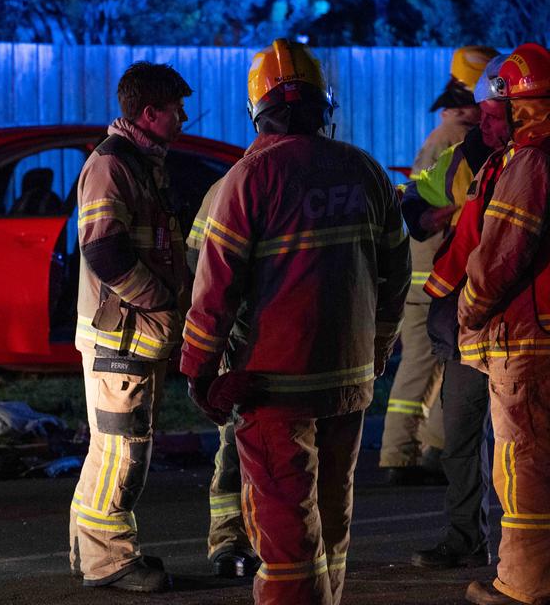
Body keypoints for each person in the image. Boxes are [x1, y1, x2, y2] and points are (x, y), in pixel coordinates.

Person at [181, 39, 411, 605]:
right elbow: (396, 276)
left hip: (272, 386)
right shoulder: (367, 172)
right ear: (323, 106)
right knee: (333, 510)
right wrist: (377, 348)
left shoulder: (245, 181)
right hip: (348, 380)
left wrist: (198, 371)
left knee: (285, 530)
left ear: (257, 110)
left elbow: (213, 292)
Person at [68, 61, 192, 593]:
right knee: (122, 451)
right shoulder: (112, 166)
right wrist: (162, 300)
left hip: (132, 334)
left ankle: (95, 553)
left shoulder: (141, 163)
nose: (183, 119)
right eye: (175, 110)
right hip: (118, 336)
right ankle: (108, 561)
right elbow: (105, 253)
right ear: (149, 113)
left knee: (118, 447)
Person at [455, 42, 550, 605]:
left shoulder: (532, 162)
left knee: (524, 465)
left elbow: (501, 256)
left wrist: (468, 307)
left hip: (526, 338)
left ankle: (523, 584)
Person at [410, 53, 510, 569]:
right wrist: (428, 213)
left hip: (517, 327)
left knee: (521, 449)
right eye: (482, 112)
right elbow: (416, 201)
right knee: (461, 440)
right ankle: (464, 536)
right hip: (467, 325)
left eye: (494, 113)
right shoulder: (469, 156)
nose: (482, 121)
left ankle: (521, 555)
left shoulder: (531, 162)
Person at [381, 45, 499, 484]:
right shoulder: (453, 143)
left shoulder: (446, 138)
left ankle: (427, 451)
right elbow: (433, 211)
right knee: (422, 365)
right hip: (432, 275)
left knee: (438, 364)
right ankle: (400, 454)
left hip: (430, 273)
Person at [187, 181, 261, 578]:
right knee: (235, 444)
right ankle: (231, 539)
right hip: (248, 340)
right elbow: (202, 267)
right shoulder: (233, 185)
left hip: (285, 341)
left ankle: (278, 543)